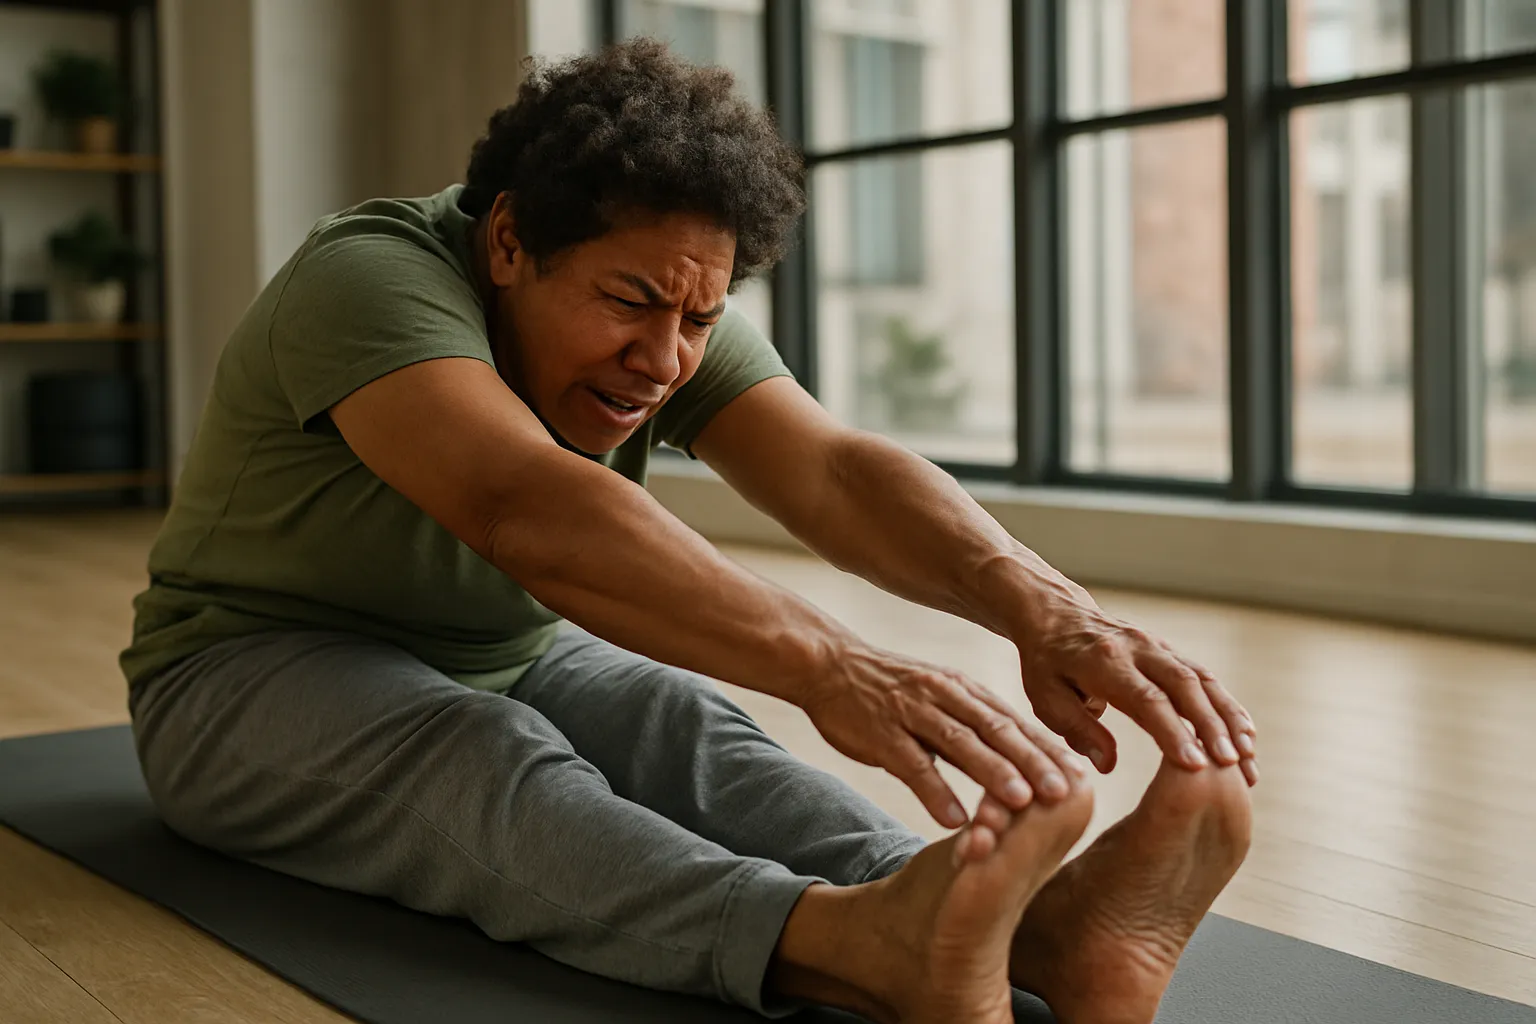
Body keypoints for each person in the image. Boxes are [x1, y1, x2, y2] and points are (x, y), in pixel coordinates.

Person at [123, 39, 1257, 1023]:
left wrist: (1047, 610)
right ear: (509, 242)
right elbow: (529, 508)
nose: (665, 358)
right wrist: (834, 662)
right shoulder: (369, 278)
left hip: (504, 653)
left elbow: (829, 470)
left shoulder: (660, 290)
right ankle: (845, 946)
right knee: (486, 755)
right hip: (240, 674)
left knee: (685, 721)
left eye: (699, 319)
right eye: (629, 307)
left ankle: (1028, 932)